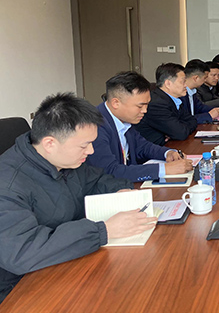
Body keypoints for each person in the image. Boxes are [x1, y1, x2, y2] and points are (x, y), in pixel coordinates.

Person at [0, 93, 157, 303]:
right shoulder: (8, 185)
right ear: (50, 143)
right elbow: (21, 252)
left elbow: (97, 179)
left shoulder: (65, 160)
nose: (90, 151)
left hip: (65, 262)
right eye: (84, 145)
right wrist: (103, 231)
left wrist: (120, 191)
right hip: (20, 288)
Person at [87, 71, 193, 182]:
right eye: (140, 106)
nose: (145, 111)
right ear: (116, 103)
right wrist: (164, 169)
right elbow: (111, 171)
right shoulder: (95, 127)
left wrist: (167, 153)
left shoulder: (124, 118)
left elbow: (143, 146)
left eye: (147, 105)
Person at [134, 63, 198, 146]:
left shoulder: (174, 100)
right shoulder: (157, 104)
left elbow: (192, 120)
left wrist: (175, 131)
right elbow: (181, 133)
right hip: (153, 149)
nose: (186, 85)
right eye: (183, 82)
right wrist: (176, 130)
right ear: (168, 84)